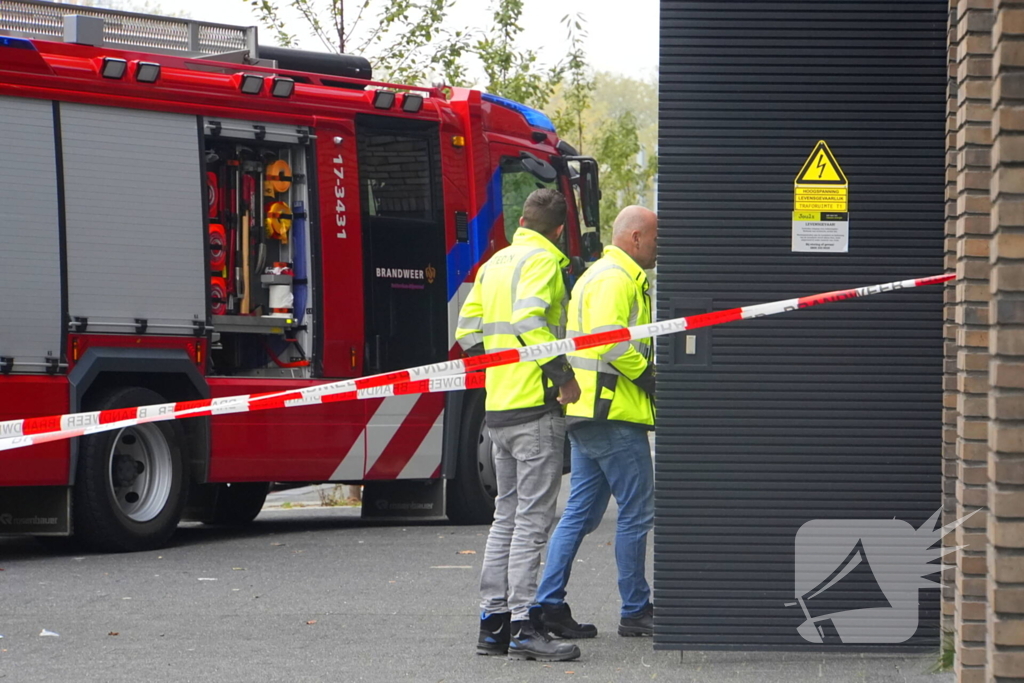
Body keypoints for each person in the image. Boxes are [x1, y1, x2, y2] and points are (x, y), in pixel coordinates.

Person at [455, 189, 582, 662]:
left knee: (505, 519)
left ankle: (493, 628)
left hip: (499, 410)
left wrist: (498, 370)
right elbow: (531, 321)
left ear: (521, 222)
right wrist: (562, 378)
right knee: (532, 522)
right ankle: (527, 626)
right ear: (558, 230)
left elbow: (466, 334)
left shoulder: (493, 265)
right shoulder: (545, 263)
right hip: (535, 411)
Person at [535, 205, 658, 639]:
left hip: (590, 414)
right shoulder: (614, 278)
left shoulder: (599, 274)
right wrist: (650, 378)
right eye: (656, 239)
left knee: (580, 515)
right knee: (638, 510)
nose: (659, 248)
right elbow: (608, 341)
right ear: (636, 237)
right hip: (612, 415)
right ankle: (636, 609)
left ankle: (547, 605)